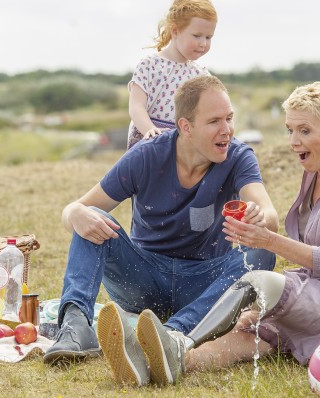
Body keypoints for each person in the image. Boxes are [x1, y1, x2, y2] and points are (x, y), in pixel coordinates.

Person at [98, 81, 320, 386]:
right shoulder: (315, 175)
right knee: (248, 332)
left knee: (258, 282)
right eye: (290, 130)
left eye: (305, 131)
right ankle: (166, 363)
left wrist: (268, 241)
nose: (294, 141)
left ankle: (175, 340)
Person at [43, 75, 279, 382]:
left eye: (229, 118)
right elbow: (77, 210)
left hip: (204, 284)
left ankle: (170, 336)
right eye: (214, 121)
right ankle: (75, 327)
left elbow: (270, 215)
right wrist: (74, 212)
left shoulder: (237, 156)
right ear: (186, 126)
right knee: (95, 217)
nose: (227, 130)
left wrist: (259, 215)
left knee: (261, 250)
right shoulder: (147, 155)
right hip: (143, 278)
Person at [126, 0, 217, 149]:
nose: (203, 43)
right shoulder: (149, 65)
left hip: (182, 147)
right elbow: (136, 106)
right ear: (175, 31)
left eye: (208, 37)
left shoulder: (202, 75)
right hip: (148, 144)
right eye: (197, 36)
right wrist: (151, 130)